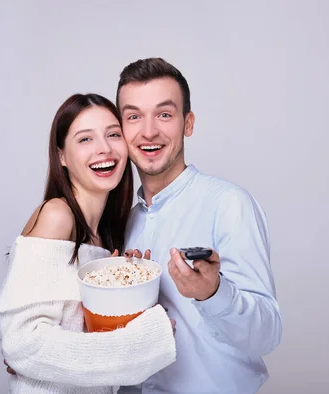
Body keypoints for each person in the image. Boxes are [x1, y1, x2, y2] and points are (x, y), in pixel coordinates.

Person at [114, 57, 282, 393]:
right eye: (134, 116)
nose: (148, 131)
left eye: (164, 114)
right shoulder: (121, 222)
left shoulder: (229, 204)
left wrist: (212, 293)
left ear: (187, 123)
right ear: (121, 131)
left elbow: (268, 333)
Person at [0, 93, 177, 394]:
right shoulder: (57, 215)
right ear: (62, 156)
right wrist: (150, 340)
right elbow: (23, 345)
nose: (104, 149)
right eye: (85, 139)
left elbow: (83, 343)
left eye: (113, 135)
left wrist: (128, 294)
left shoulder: (109, 234)